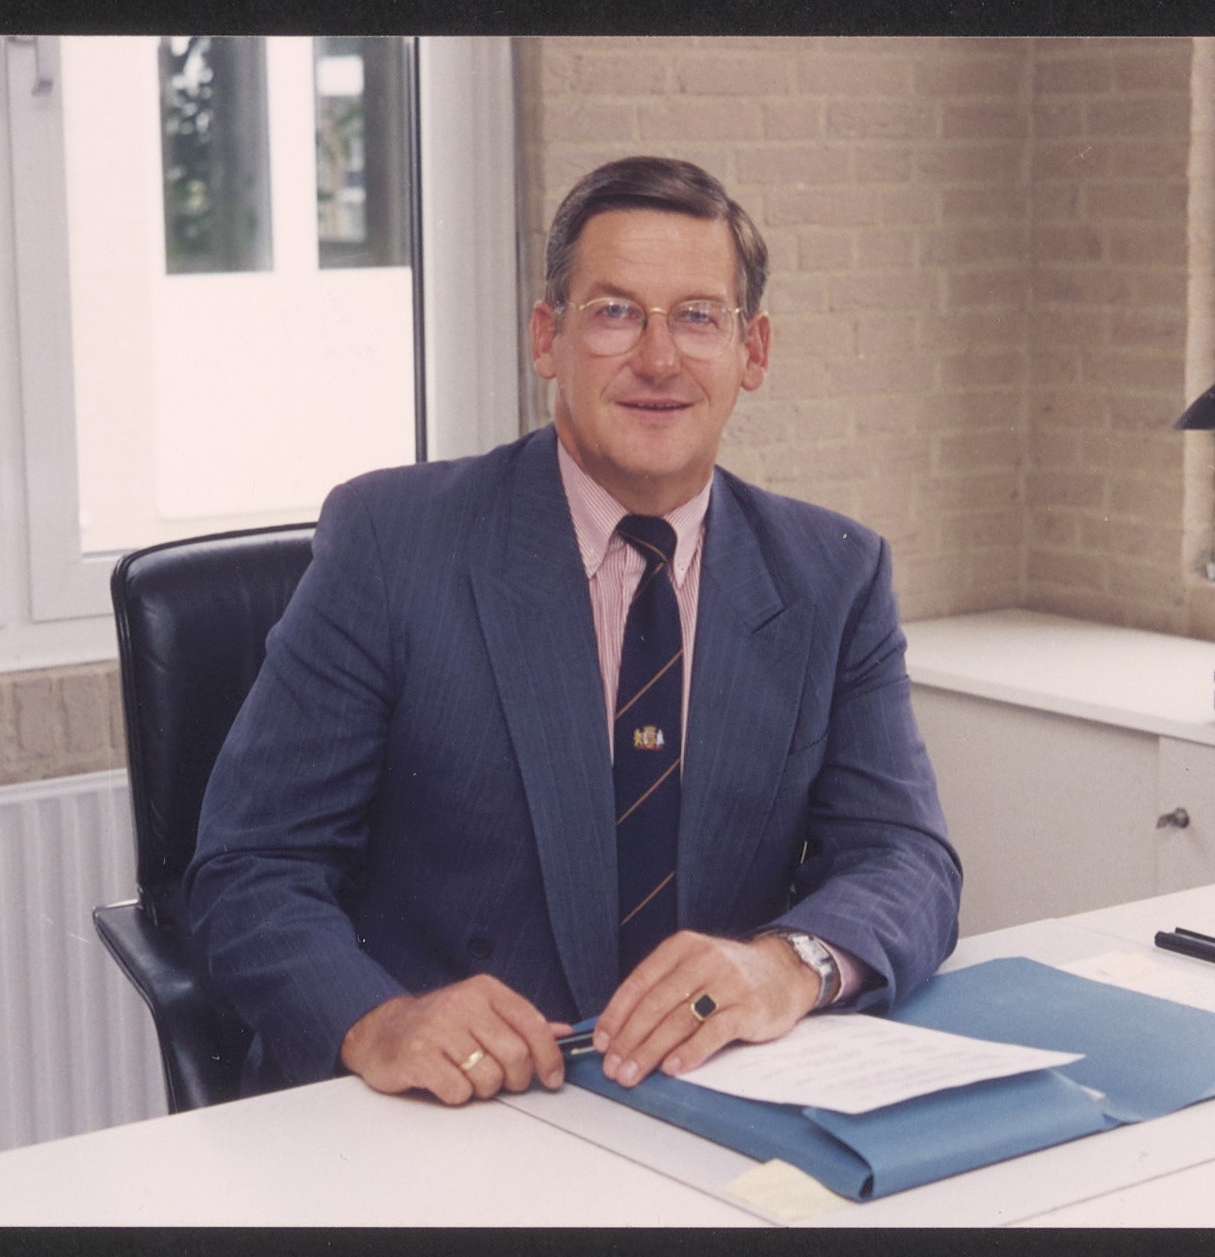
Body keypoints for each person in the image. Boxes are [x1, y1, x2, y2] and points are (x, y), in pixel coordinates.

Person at [187, 156, 961, 1105]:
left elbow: (906, 858)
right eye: (615, 312)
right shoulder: (393, 542)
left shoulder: (833, 574)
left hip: (709, 1092)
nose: (659, 359)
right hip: (456, 1106)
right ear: (546, 338)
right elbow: (250, 866)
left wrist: (787, 964)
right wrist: (378, 1018)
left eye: (697, 316)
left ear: (751, 351)